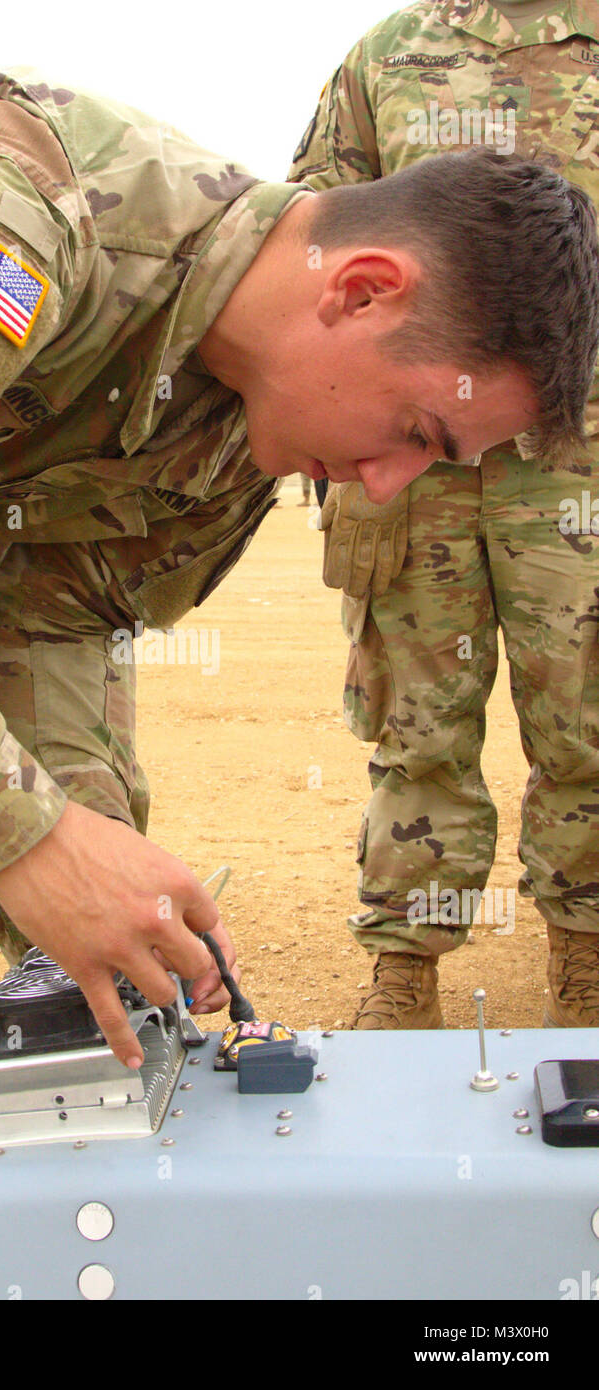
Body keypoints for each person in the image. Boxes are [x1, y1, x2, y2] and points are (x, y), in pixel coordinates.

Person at [0, 64, 595, 1070]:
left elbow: (52, 614)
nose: (386, 483)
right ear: (360, 291)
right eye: (413, 429)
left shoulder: (243, 428)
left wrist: (90, 859)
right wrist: (19, 834)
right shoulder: (21, 215)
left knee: (76, 1016)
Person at [289, 0, 599, 1028]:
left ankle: (587, 958)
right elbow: (310, 243)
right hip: (407, 457)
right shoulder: (385, 56)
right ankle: (405, 973)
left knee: (588, 724)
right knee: (414, 727)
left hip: (577, 457)